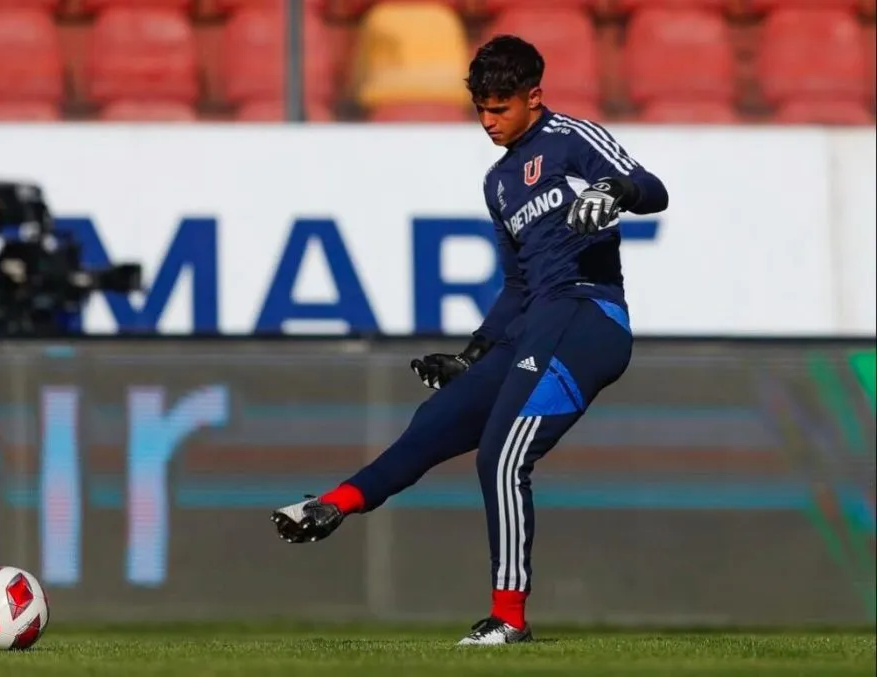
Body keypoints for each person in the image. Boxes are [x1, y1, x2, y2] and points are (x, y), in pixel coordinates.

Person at [270, 34, 670, 645]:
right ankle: (331, 505)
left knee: (502, 458)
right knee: (434, 422)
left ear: (534, 96)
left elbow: (652, 188)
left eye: (500, 107)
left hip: (589, 317)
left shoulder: (572, 139)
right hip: (536, 322)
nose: (489, 120)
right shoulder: (500, 182)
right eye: (481, 108)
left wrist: (615, 192)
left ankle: (509, 619)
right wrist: (472, 353)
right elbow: (517, 284)